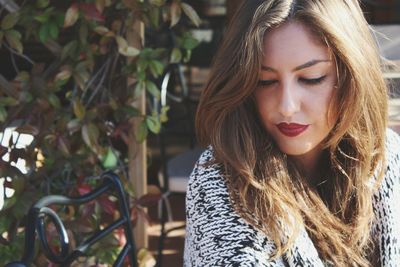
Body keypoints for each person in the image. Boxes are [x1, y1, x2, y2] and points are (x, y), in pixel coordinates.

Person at [184, 0, 400, 266]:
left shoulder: (387, 157)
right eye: (266, 81)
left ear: (351, 76)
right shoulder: (219, 182)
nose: (287, 106)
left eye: (312, 78)